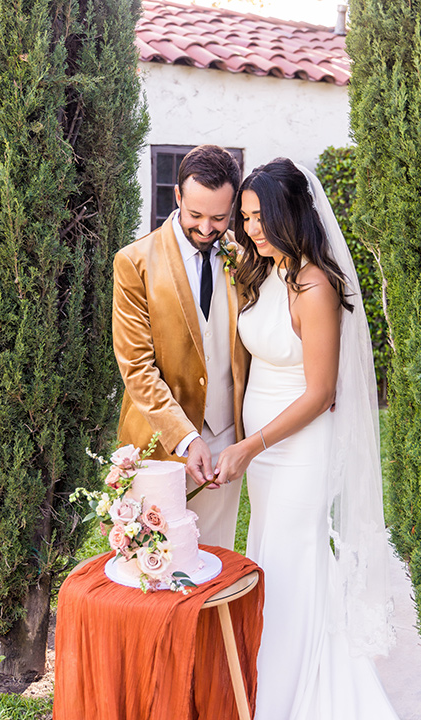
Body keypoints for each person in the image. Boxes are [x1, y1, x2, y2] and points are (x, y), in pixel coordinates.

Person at [215, 159, 398, 719]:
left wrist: (250, 445)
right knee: (270, 556)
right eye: (245, 218)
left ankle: (290, 695)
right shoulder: (264, 270)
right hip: (265, 451)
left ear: (292, 213)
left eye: (261, 217)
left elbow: (320, 393)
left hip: (297, 448)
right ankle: (266, 677)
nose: (251, 228)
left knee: (293, 561)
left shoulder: (314, 285)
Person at [112, 145, 249, 549]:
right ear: (177, 197)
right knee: (159, 573)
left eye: (219, 218)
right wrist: (187, 439)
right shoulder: (134, 262)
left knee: (216, 559)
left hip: (225, 442)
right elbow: (137, 368)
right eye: (196, 216)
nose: (207, 228)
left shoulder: (243, 260)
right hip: (159, 445)